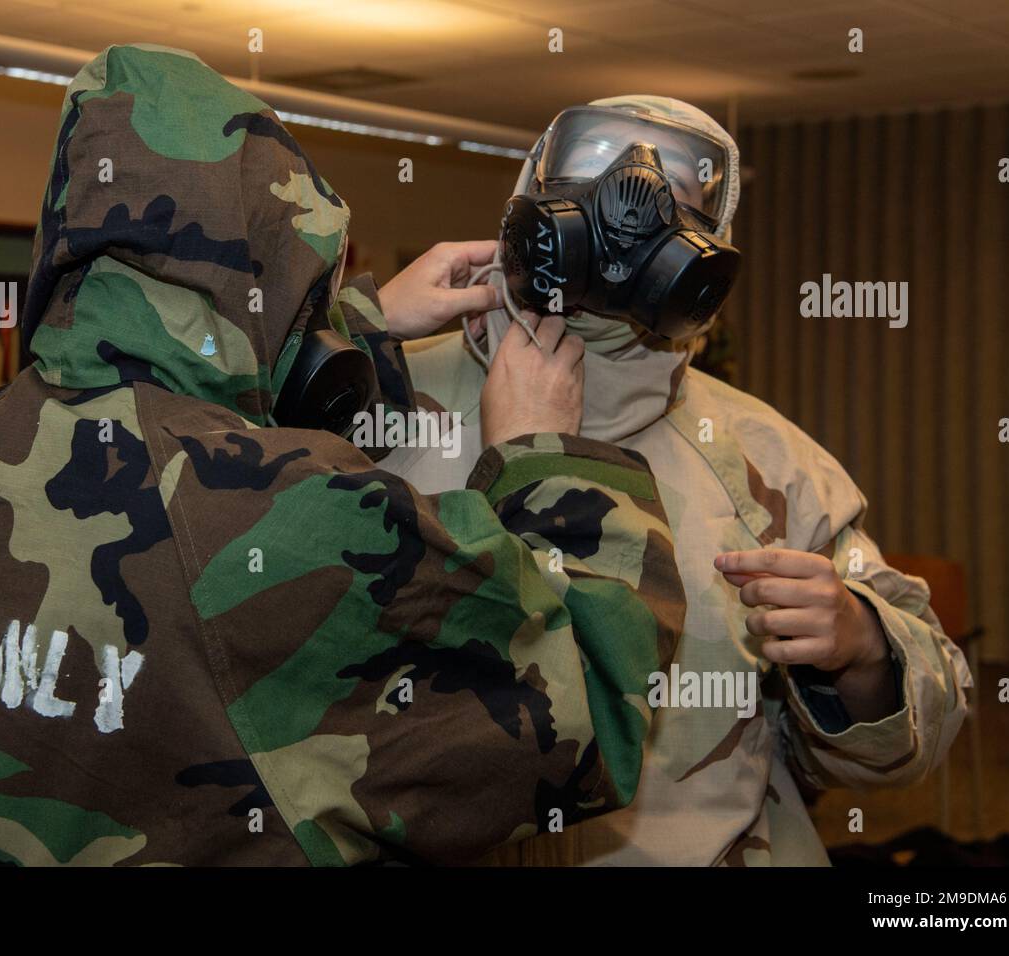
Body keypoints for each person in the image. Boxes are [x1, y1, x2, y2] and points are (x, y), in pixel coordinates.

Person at [0, 46, 686, 866]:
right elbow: (589, 712)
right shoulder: (290, 512)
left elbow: (181, 419)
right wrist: (547, 451)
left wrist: (355, 325)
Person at [380, 95, 971, 866]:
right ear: (534, 185)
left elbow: (917, 729)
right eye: (596, 163)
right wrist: (342, 328)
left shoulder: (766, 460)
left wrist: (863, 648)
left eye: (678, 192)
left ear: (706, 246)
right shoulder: (379, 408)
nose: (632, 195)